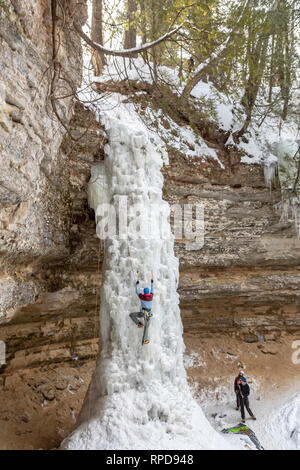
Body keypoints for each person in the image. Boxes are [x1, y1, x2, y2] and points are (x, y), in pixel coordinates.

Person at [129, 278, 154, 346]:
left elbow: (137, 291)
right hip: (148, 315)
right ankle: (144, 340)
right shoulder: (151, 296)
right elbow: (152, 290)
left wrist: (137, 284)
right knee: (146, 327)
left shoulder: (142, 297)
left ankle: (139, 323)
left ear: (144, 293)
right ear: (148, 292)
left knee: (131, 315)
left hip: (142, 313)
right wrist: (152, 282)